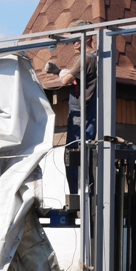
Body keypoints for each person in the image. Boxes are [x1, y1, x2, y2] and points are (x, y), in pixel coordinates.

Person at [43, 22, 97, 195]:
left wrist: (58, 72)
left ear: (87, 37)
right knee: (81, 154)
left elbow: (66, 81)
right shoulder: (94, 57)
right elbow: (76, 79)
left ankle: (78, 196)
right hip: (86, 109)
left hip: (82, 110)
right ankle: (83, 194)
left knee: (74, 153)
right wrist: (61, 71)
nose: (74, 43)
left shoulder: (86, 57)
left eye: (77, 39)